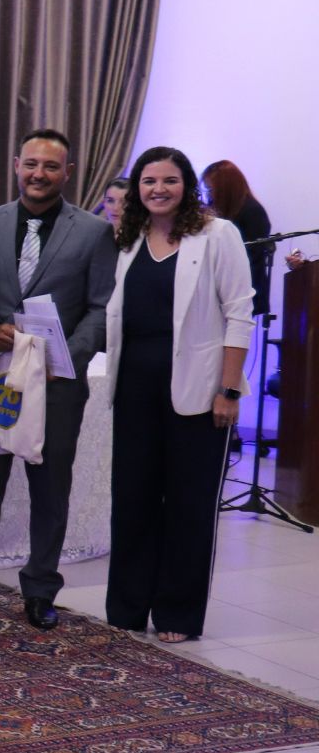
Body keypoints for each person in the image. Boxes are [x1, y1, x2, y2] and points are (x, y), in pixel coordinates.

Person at [0, 129, 116, 630]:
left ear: (67, 172)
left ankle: (41, 589)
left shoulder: (92, 231)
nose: (39, 175)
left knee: (50, 491)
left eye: (50, 167)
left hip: (58, 382)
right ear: (15, 165)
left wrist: (66, 352)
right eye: (31, 164)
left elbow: (101, 307)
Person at [105, 147, 253, 642]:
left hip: (199, 390)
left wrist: (229, 389)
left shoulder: (217, 235)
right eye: (148, 182)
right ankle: (127, 607)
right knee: (133, 500)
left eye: (169, 181)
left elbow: (239, 313)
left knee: (188, 505)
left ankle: (177, 614)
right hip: (134, 390)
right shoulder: (130, 239)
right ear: (137, 189)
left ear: (187, 185)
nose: (158, 190)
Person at [202, 160, 273, 317]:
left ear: (224, 188)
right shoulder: (223, 211)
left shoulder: (251, 211)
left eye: (211, 189)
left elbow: (251, 258)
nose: (209, 195)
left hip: (240, 293)